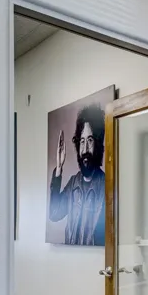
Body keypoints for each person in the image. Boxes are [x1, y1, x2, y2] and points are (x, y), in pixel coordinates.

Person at [49, 104, 106, 245]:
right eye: (82, 141)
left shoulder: (106, 186)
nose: (85, 149)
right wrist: (59, 167)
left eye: (90, 140)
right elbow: (54, 213)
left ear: (98, 144)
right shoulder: (73, 183)